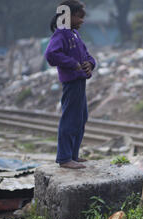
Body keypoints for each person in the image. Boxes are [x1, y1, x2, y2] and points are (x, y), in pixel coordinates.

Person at [45, 0, 96, 169]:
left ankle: (73, 154)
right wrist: (72, 63)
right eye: (80, 17)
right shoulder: (61, 34)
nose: (82, 20)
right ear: (69, 16)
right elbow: (51, 54)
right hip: (71, 83)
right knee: (70, 118)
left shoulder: (74, 34)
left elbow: (87, 55)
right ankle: (65, 158)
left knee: (81, 118)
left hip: (80, 82)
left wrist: (91, 63)